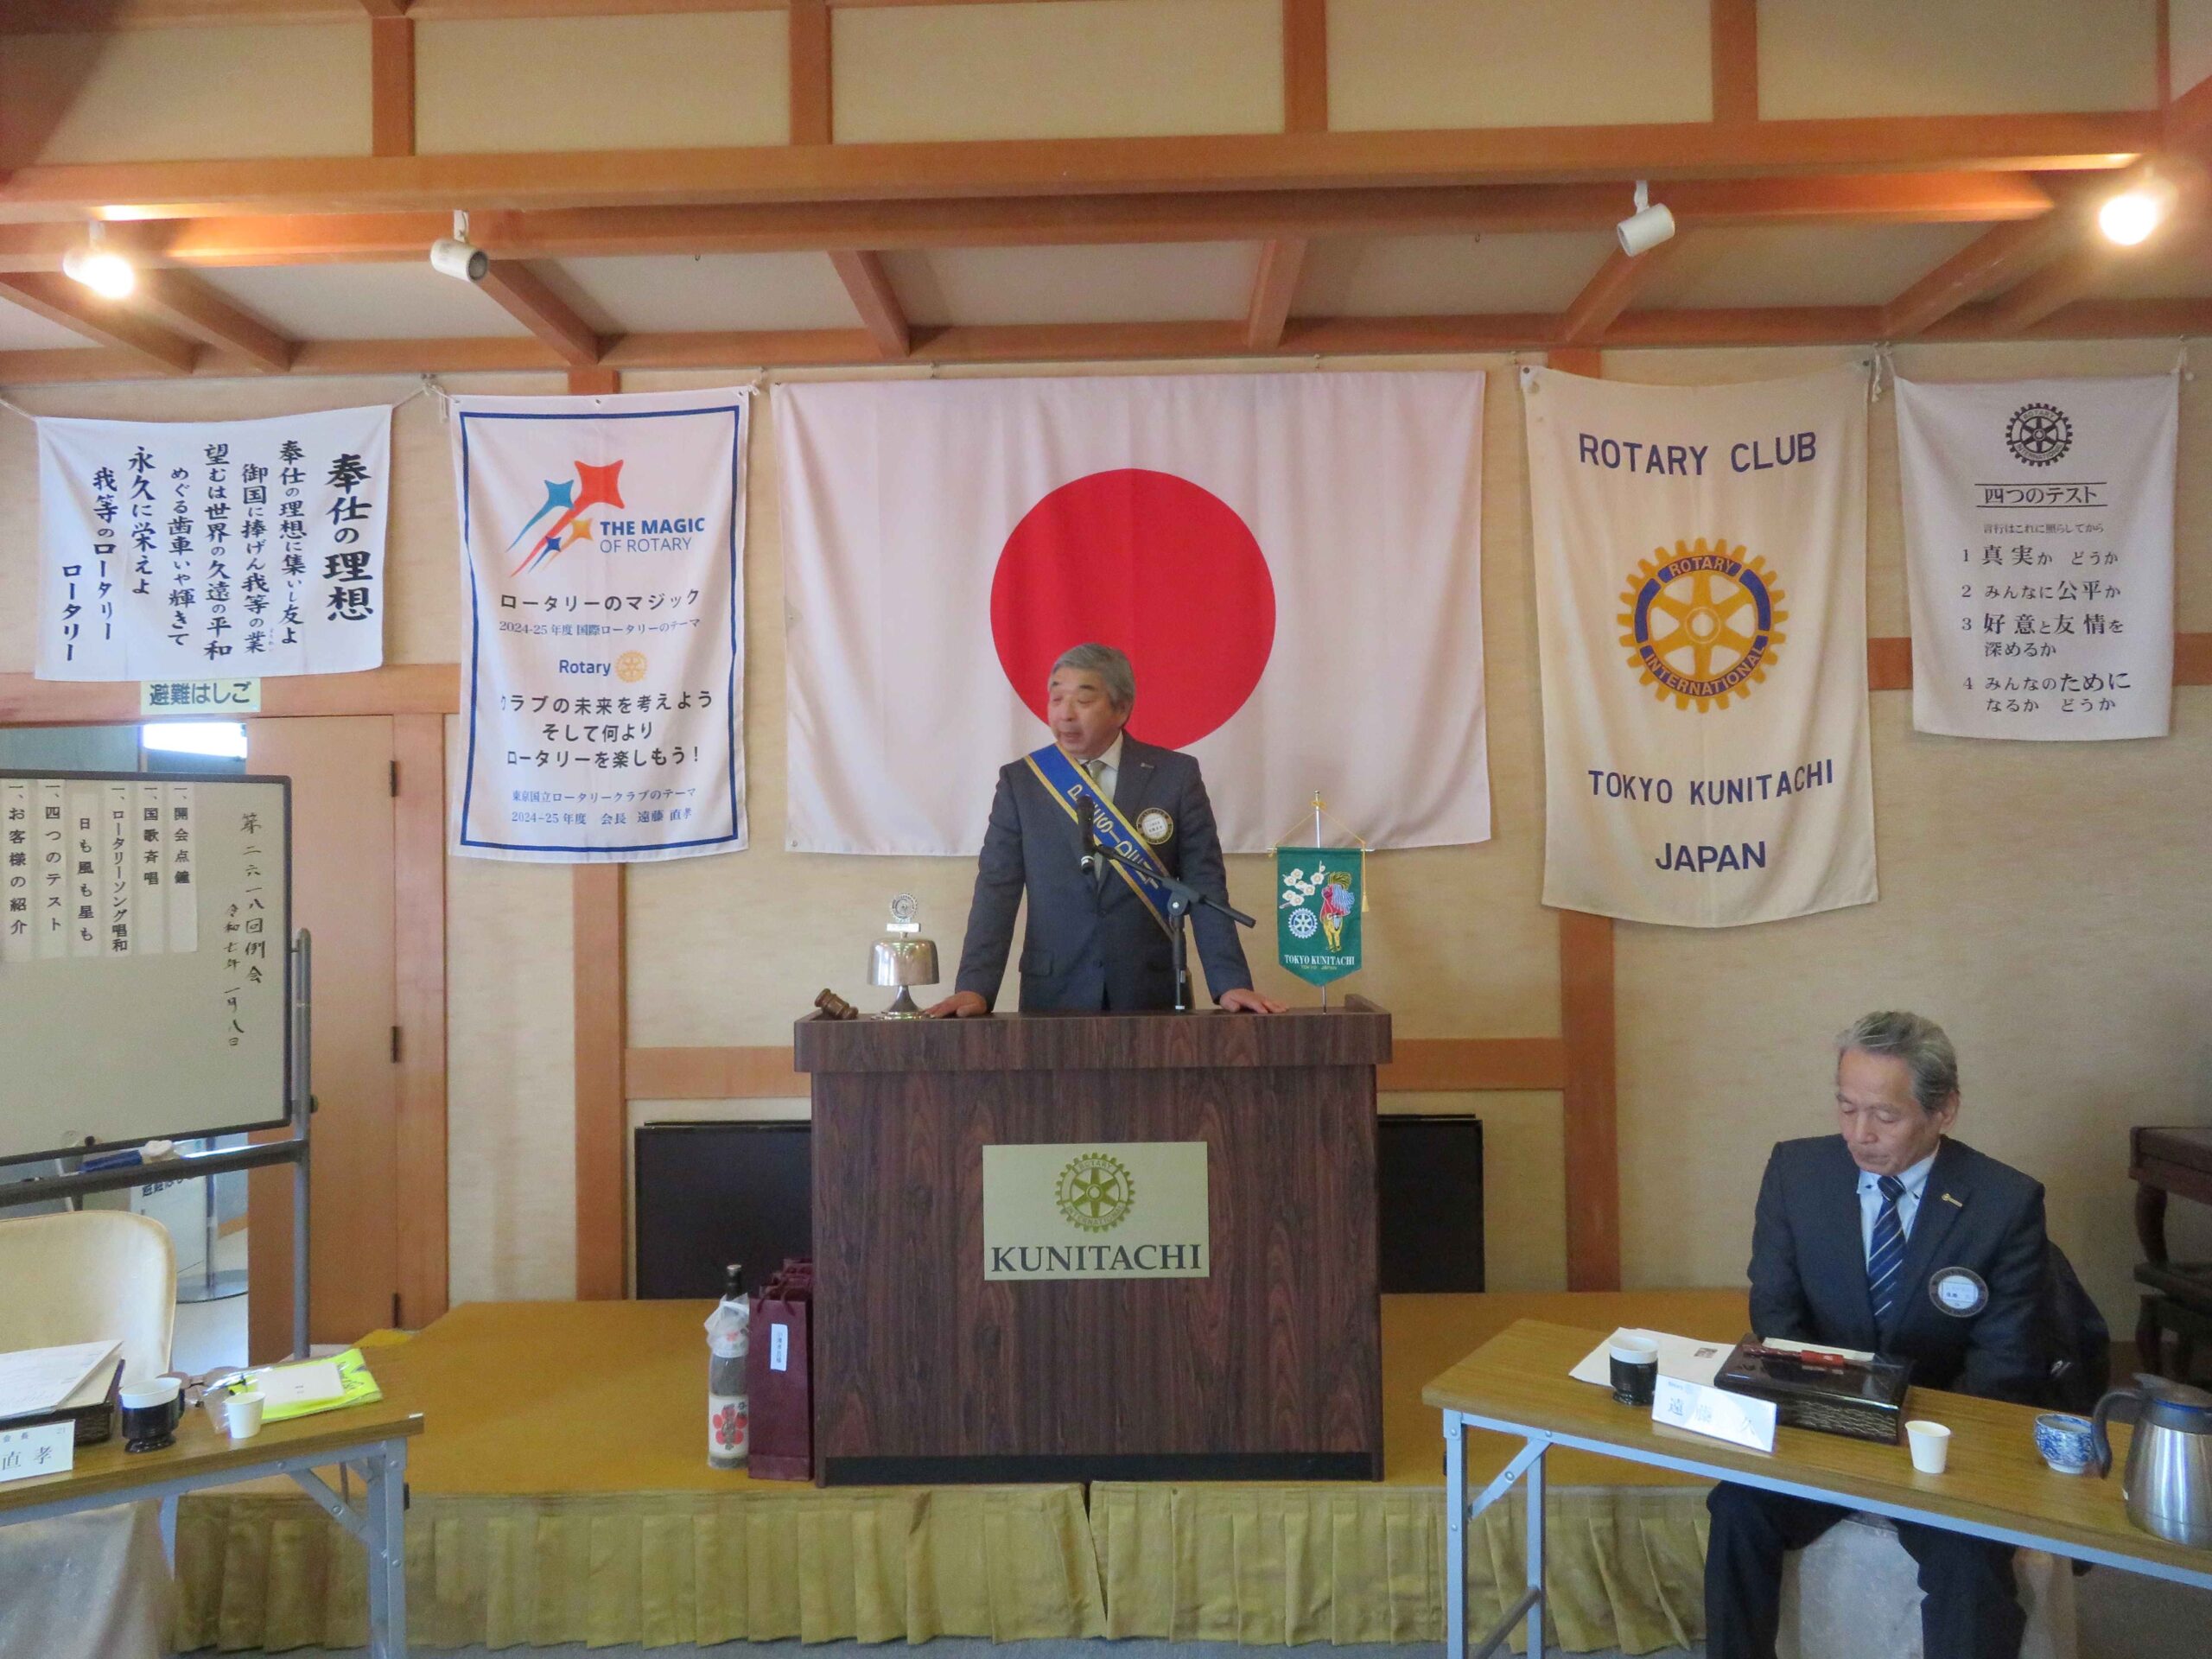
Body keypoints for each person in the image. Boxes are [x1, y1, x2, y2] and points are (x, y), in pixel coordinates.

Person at [1705, 1010, 2047, 1659]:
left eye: (1885, 1116)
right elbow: (1776, 1315)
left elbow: (2008, 1362)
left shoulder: (2004, 1202)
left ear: (1943, 1110)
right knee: (1737, 1512)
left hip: (1946, 1438)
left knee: (1970, 1562)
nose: (1860, 1135)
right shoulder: (1796, 1172)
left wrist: (1906, 1433)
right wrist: (1838, 1416)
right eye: (1846, 1108)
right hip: (1820, 1419)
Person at [928, 643, 1286, 1016]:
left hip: (1151, 993)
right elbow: (995, 889)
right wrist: (974, 988)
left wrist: (1230, 983)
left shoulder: (1175, 777)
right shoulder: (1023, 784)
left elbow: (1205, 884)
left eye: (1083, 701)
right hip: (1053, 994)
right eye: (1056, 698)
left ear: (1121, 708)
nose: (1065, 715)